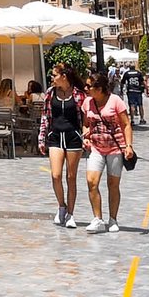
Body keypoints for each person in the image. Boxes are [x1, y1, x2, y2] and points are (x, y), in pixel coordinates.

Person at [38, 62, 91, 229]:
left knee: (71, 177)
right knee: (56, 175)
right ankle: (62, 205)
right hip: (55, 136)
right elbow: (45, 116)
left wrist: (86, 136)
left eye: (54, 75)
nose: (52, 78)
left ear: (64, 76)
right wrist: (42, 137)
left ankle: (71, 214)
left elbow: (84, 119)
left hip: (73, 137)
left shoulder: (78, 95)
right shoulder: (50, 93)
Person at [81, 73, 134, 233]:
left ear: (99, 88)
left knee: (113, 184)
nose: (86, 88)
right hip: (96, 148)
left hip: (115, 148)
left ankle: (113, 219)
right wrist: (86, 136)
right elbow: (85, 124)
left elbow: (126, 124)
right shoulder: (87, 103)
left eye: (89, 86)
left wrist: (128, 146)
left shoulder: (115, 101)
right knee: (92, 182)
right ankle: (97, 218)